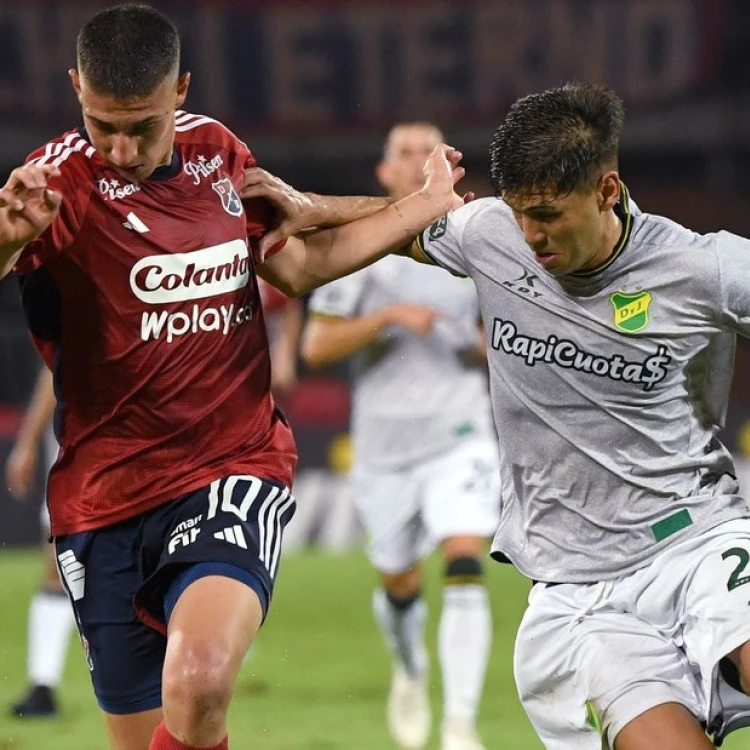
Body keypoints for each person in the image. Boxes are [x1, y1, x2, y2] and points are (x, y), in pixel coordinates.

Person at [0, 5, 464, 749]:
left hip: (231, 465)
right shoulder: (54, 187)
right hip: (103, 499)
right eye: (101, 124)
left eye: (141, 126)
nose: (119, 148)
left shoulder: (218, 154)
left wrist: (420, 210)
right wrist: (6, 237)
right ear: (74, 89)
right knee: (147, 729)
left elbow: (298, 261)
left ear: (180, 90)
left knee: (202, 677)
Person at [393, 82, 750, 750]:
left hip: (697, 541)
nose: (531, 236)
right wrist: (280, 209)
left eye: (550, 215)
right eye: (521, 213)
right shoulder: (489, 236)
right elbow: (377, 231)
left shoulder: (701, 268)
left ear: (607, 190)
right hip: (582, 594)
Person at [301, 122, 499, 750]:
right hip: (385, 448)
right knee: (399, 582)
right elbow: (316, 345)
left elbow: (509, 340)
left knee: (465, 561)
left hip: (460, 432)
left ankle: (461, 726)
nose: (418, 162)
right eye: (405, 153)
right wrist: (388, 318)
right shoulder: (359, 249)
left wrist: (475, 345)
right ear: (384, 174)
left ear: (449, 168)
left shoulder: (479, 245)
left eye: (429, 151)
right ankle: (411, 669)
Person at [5, 365, 75, 718]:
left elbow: (53, 368)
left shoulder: (73, 313)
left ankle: (43, 687)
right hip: (85, 444)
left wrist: (27, 441)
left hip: (83, 447)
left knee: (59, 567)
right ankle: (43, 686)